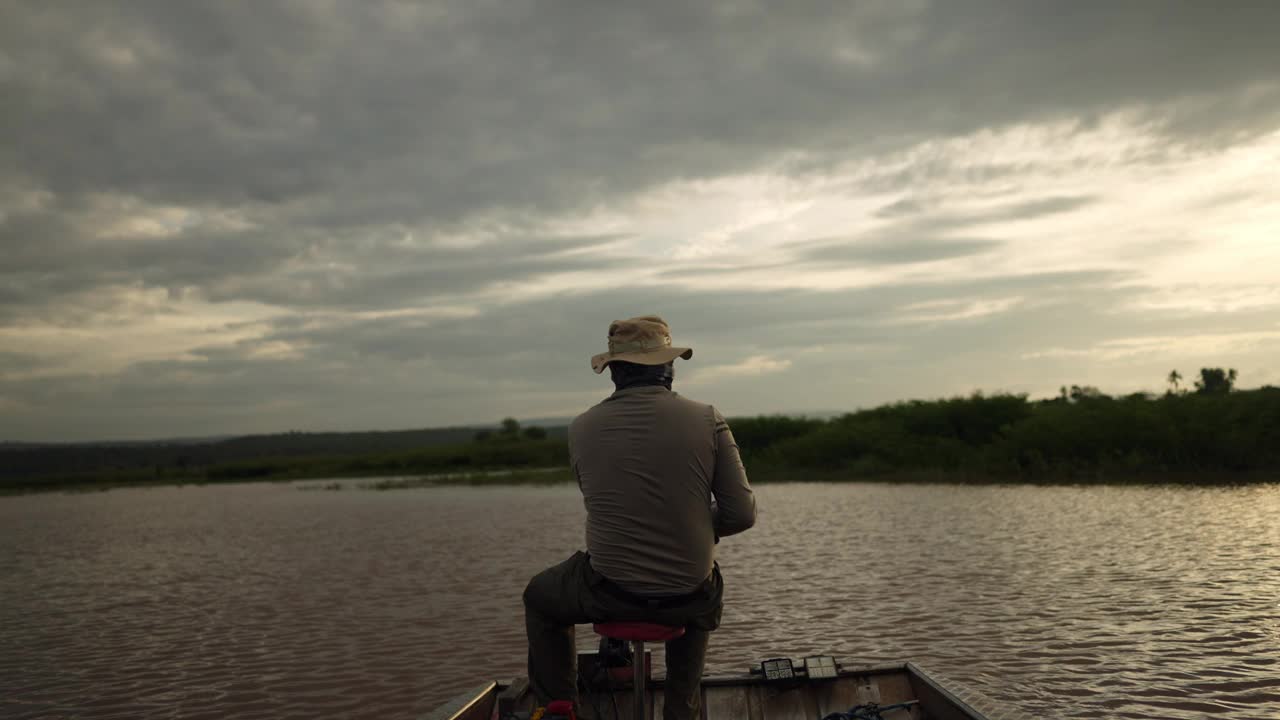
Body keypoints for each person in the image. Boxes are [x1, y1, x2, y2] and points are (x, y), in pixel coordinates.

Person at [523, 315, 756, 720]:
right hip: (687, 596)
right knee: (700, 585)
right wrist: (698, 530)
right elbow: (741, 514)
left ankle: (560, 709)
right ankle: (681, 709)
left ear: (614, 372)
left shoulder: (581, 427)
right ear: (667, 367)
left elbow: (609, 504)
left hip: (609, 591)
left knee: (540, 596)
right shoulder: (707, 417)